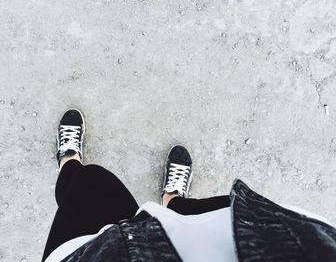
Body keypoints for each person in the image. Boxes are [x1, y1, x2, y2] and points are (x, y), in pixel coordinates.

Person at [41, 109, 336, 262]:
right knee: (190, 214)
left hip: (100, 255)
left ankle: (68, 161)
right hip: (258, 240)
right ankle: (173, 201)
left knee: (89, 185)